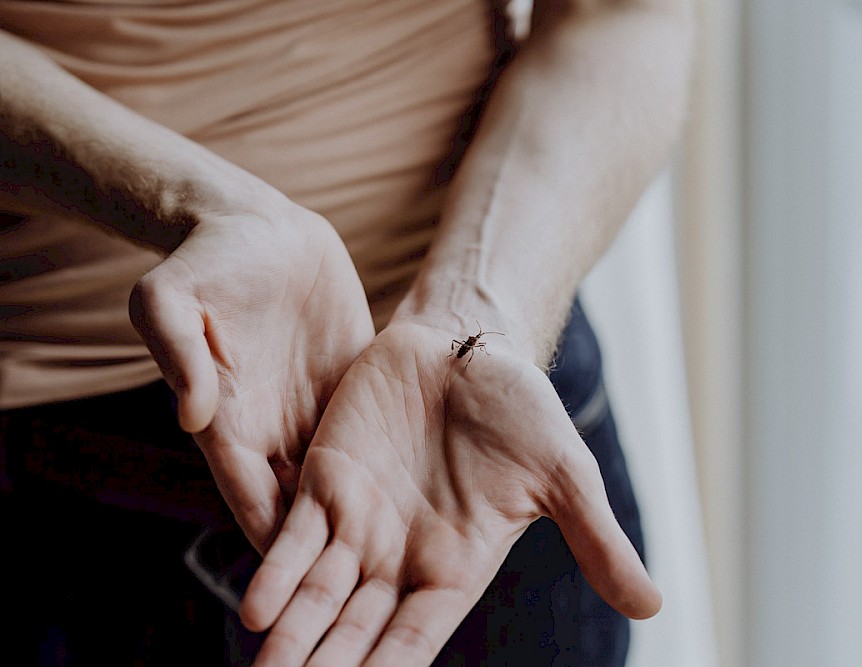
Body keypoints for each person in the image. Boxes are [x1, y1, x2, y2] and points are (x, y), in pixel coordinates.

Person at [0, 0, 693, 664]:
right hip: (47, 468)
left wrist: (479, 308)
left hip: (473, 431)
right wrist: (189, 203)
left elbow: (620, 14)